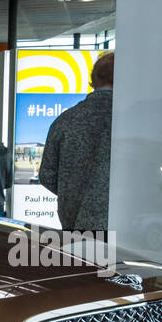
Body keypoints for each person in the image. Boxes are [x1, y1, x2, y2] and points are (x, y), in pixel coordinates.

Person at [39, 52, 113, 231]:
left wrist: (73, 190)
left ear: (93, 79)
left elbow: (47, 175)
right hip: (121, 226)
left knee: (76, 260)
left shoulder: (65, 119)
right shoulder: (130, 119)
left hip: (73, 222)